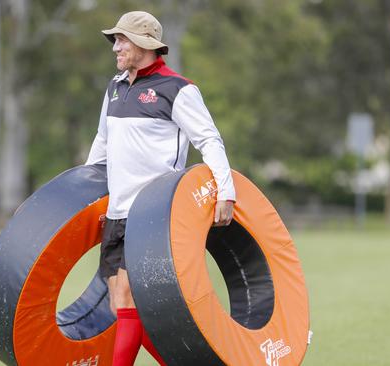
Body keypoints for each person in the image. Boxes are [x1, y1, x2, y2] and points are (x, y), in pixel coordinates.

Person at [85, 10, 236, 366]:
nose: (115, 48)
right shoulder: (115, 87)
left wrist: (225, 191)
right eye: (116, 40)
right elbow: (101, 145)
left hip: (152, 215)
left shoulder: (178, 90)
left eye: (121, 40)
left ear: (144, 45)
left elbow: (209, 140)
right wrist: (75, 197)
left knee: (126, 301)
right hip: (117, 213)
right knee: (123, 308)